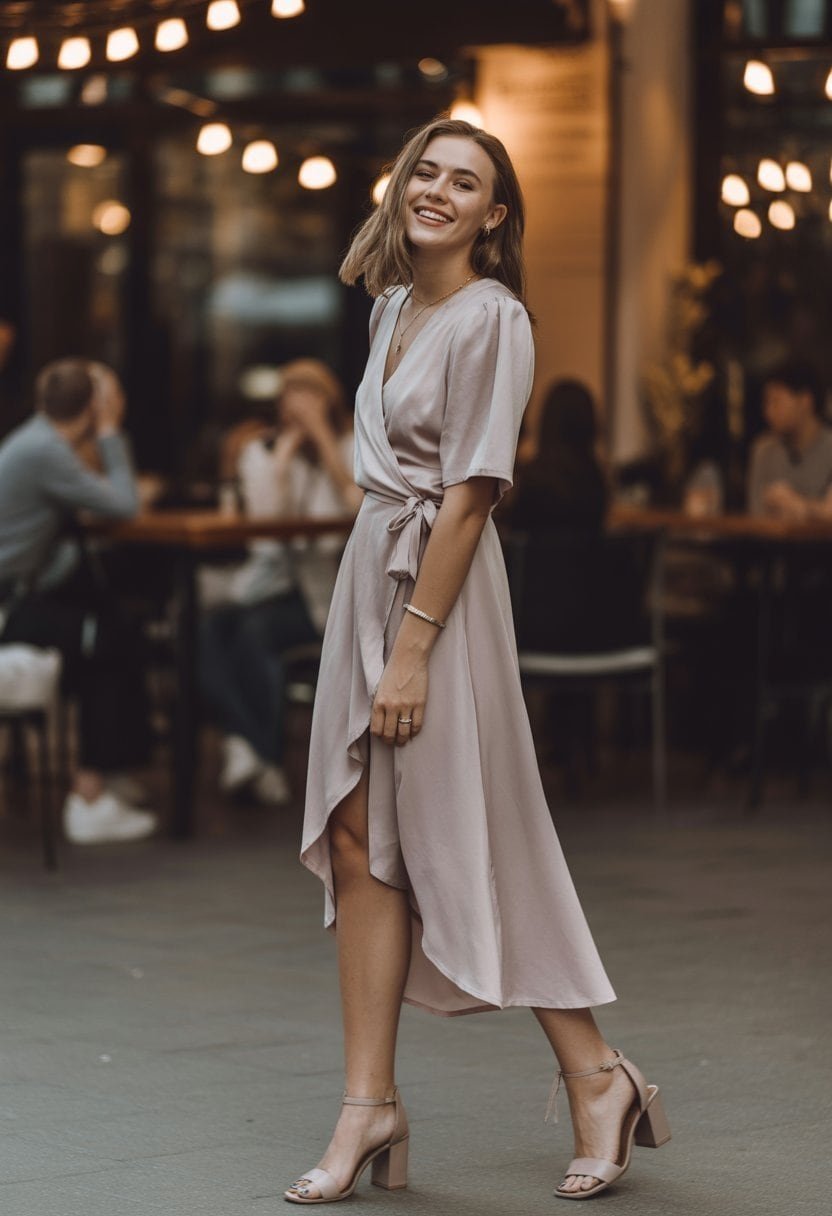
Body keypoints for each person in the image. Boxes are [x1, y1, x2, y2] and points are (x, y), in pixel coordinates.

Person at [284, 118, 670, 1206]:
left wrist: (411, 653)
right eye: (429, 173)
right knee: (359, 833)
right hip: (373, 566)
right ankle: (370, 1105)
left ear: (494, 219)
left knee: (473, 832)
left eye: (468, 184)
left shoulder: (494, 320)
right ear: (403, 186)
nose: (441, 192)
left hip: (437, 597)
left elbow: (468, 498)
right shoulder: (392, 306)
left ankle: (597, 1074)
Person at [0, 358, 157, 844]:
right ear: (94, 405)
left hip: (19, 594)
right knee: (106, 638)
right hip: (10, 605)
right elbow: (125, 504)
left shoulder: (38, 441)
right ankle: (89, 798)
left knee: (114, 625)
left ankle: (109, 773)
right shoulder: (44, 450)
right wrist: (111, 432)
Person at [199, 360, 361, 804]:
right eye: (290, 397)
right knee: (204, 629)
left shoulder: (352, 443)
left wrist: (324, 443)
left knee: (255, 633)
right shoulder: (263, 452)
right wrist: (283, 461)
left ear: (328, 401)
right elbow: (266, 528)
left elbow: (358, 509)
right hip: (267, 584)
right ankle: (252, 748)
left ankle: (256, 752)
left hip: (325, 593)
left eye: (309, 396)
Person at [511, 378, 609, 533]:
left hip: (538, 558)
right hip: (583, 558)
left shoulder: (532, 479)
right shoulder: (596, 480)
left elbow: (516, 532)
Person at [747, 358, 832, 519]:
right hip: (770, 543)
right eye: (766, 402)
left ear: (805, 401)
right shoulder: (764, 450)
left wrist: (801, 506)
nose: (768, 411)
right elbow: (755, 514)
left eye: (776, 401)